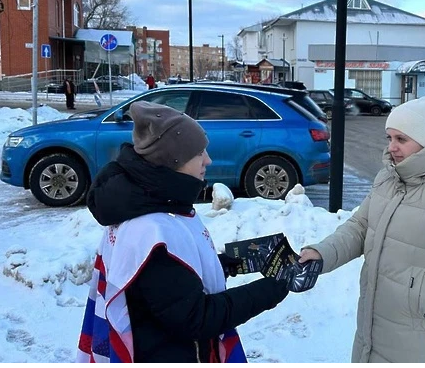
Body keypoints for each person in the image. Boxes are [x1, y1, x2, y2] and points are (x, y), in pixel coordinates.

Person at [76, 101, 289, 363]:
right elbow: (196, 318)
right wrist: (272, 289)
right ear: (173, 161)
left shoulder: (150, 202)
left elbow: (168, 288)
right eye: (199, 153)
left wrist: (221, 265)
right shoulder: (151, 231)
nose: (208, 160)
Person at [299, 95, 425, 363]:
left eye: (402, 139)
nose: (392, 148)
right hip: (374, 335)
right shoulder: (389, 179)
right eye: (389, 138)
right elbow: (360, 226)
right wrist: (322, 254)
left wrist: (415, 292)